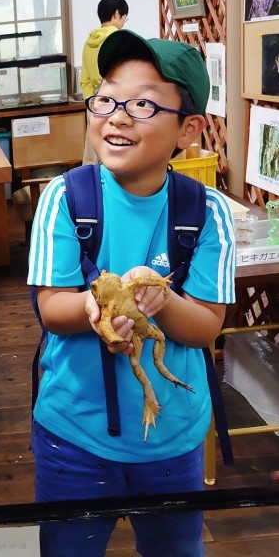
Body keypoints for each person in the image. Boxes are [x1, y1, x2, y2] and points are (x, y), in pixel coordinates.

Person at [28, 30, 235, 557]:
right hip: (73, 435)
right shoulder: (64, 197)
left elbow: (207, 326)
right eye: (106, 97)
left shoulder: (207, 213)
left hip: (173, 440)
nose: (117, 116)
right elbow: (53, 308)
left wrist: (162, 302)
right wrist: (93, 308)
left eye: (143, 104)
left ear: (187, 129)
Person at [80, 0, 128, 164]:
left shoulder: (89, 41)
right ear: (116, 14)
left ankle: (89, 184)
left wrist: (90, 101)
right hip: (116, 103)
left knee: (92, 151)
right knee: (116, 150)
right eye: (124, 17)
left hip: (94, 101)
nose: (124, 22)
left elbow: (84, 77)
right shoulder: (119, 39)